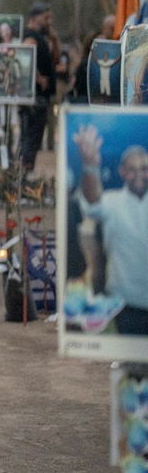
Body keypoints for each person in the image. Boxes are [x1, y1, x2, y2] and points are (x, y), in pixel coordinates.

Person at [74, 124, 148, 333]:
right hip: (124, 303)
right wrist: (90, 166)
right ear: (122, 172)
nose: (139, 174)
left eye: (144, 168)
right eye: (132, 169)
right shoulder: (112, 202)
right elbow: (93, 202)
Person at [21, 2, 57, 170]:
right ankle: (23, 174)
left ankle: (26, 172)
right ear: (34, 18)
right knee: (30, 137)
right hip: (34, 97)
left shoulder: (42, 37)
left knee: (34, 139)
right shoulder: (31, 36)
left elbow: (56, 58)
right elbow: (24, 58)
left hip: (42, 96)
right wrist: (38, 78)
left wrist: (54, 39)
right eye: (45, 18)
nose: (49, 22)